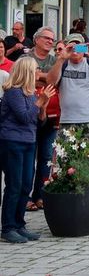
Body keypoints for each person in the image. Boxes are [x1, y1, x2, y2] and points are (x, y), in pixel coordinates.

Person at [0, 58, 55, 243]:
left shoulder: (30, 93)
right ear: (26, 71)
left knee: (25, 185)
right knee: (14, 184)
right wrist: (39, 102)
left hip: (29, 141)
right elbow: (24, 117)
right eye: (35, 70)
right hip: (12, 141)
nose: (38, 73)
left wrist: (43, 106)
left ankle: (19, 224)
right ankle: (8, 227)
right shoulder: (13, 92)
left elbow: (39, 122)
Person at [26, 27, 59, 212]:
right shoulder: (26, 58)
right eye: (46, 38)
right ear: (36, 39)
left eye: (52, 39)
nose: (50, 41)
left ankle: (40, 195)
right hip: (31, 114)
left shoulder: (55, 59)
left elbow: (56, 81)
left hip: (52, 116)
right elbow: (27, 79)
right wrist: (46, 78)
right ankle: (26, 197)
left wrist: (41, 76)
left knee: (46, 157)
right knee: (29, 159)